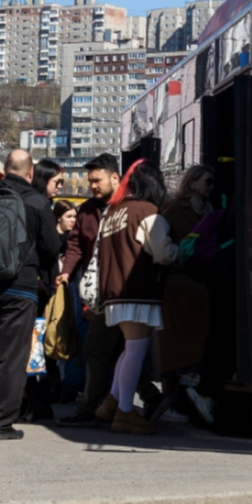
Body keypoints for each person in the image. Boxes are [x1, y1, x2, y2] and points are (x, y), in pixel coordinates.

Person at [0, 149, 62, 440]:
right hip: (19, 288)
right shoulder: (36, 202)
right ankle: (2, 423)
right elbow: (50, 247)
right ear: (30, 173)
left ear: (4, 169)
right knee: (11, 355)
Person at [96, 161, 178, 435]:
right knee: (136, 349)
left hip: (113, 291)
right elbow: (163, 254)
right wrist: (182, 251)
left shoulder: (112, 212)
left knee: (129, 348)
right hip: (137, 290)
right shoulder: (148, 211)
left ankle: (113, 402)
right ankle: (125, 412)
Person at [54, 153, 123, 428]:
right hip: (98, 293)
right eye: (89, 180)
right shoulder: (86, 210)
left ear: (114, 177)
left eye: (97, 180)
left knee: (111, 349)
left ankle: (98, 405)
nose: (92, 185)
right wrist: (66, 273)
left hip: (124, 290)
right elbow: (75, 246)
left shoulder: (129, 206)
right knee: (104, 349)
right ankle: (103, 404)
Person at [157, 165, 217, 424]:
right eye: (207, 181)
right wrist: (178, 256)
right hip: (178, 282)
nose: (211, 187)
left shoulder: (212, 210)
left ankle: (186, 392)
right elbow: (161, 241)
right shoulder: (174, 208)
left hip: (200, 279)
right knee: (174, 346)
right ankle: (170, 398)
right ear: (192, 182)